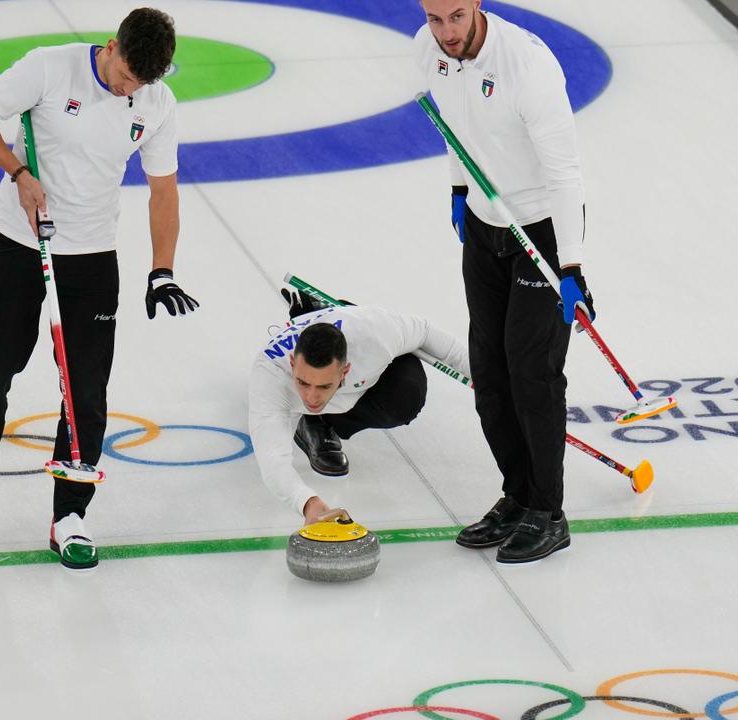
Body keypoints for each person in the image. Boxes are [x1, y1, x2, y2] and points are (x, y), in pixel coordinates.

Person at [0, 8, 200, 571]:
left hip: (90, 257)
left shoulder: (157, 103)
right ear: (111, 46)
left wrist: (163, 269)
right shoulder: (49, 68)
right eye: (124, 76)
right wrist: (18, 172)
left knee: (86, 390)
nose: (128, 90)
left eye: (141, 84)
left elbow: (164, 192)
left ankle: (70, 515)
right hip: (18, 241)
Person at [414, 0, 595, 563]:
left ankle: (548, 511)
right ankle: (517, 496)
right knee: (489, 372)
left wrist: (572, 268)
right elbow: (452, 127)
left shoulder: (528, 67)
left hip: (538, 230)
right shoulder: (427, 50)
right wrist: (458, 190)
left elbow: (565, 173)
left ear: (476, 5)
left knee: (532, 372)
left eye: (456, 18)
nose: (446, 33)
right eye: (434, 19)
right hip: (486, 230)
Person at [249, 290, 470, 525]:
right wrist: (307, 502)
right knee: (309, 403)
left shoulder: (378, 336)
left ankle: (324, 417)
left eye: (324, 386)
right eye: (302, 382)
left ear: (345, 370)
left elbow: (426, 333)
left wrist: (486, 374)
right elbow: (273, 462)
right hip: (331, 364)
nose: (311, 397)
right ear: (293, 363)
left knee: (406, 398)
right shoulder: (270, 376)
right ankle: (313, 415)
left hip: (361, 336)